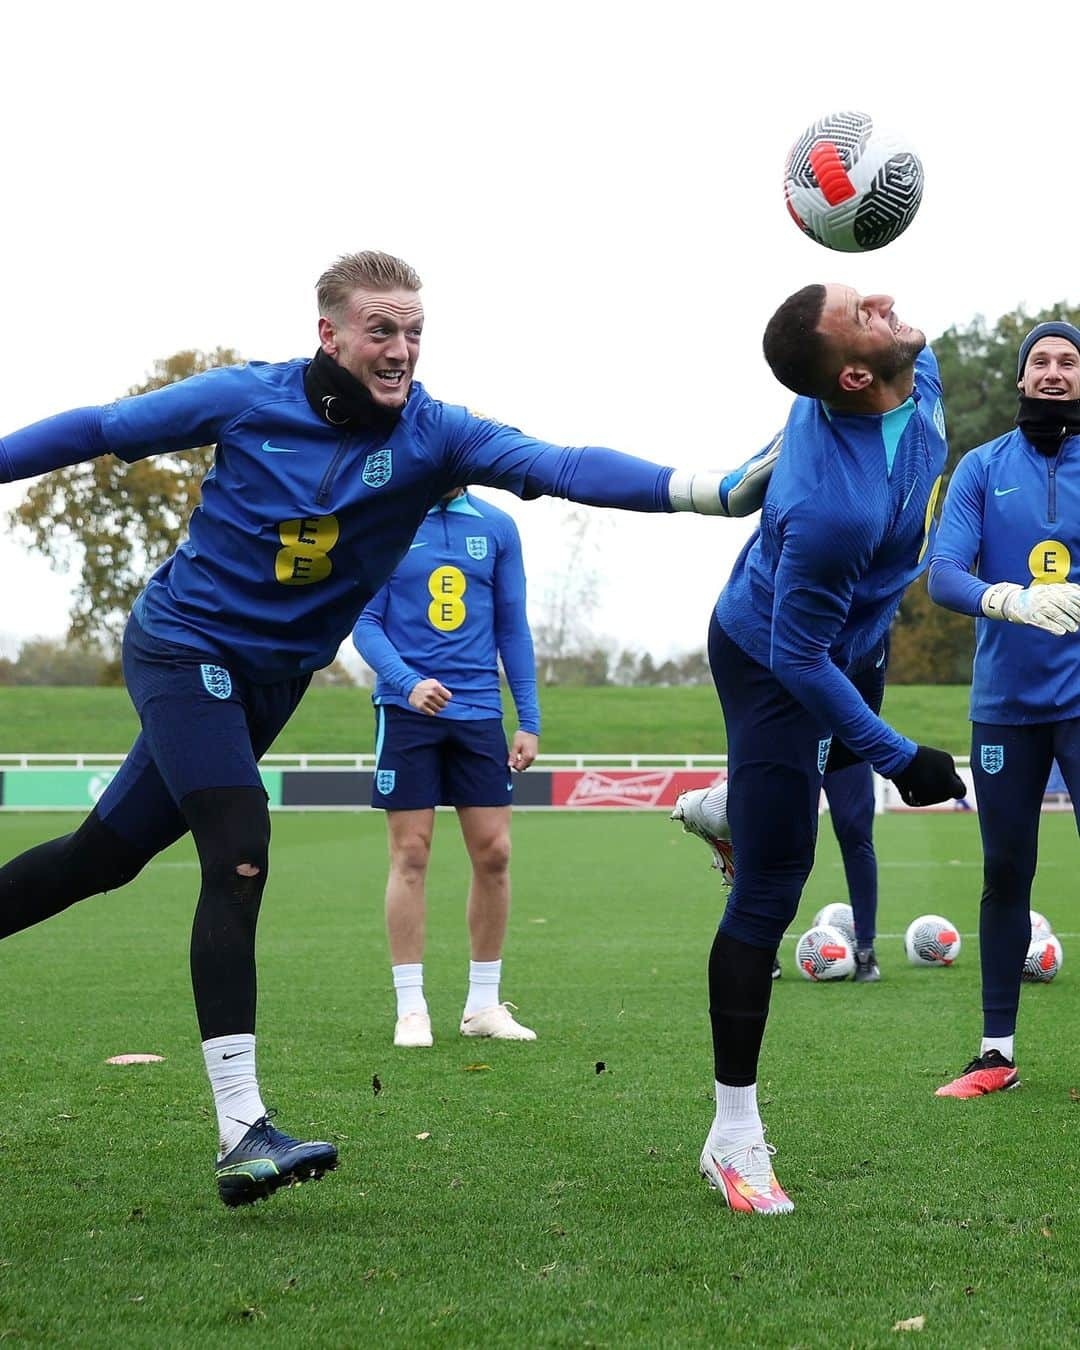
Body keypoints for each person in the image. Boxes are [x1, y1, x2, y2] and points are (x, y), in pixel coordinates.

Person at [0, 250, 773, 1208]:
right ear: (329, 334)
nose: (401, 349)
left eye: (414, 331)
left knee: (99, 859)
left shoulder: (437, 433)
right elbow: (98, 429)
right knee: (239, 851)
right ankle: (243, 1131)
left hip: (272, 683)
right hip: (181, 646)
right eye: (381, 330)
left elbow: (560, 465)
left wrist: (709, 489)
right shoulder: (247, 398)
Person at [690, 284, 966, 1217]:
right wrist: (899, 755)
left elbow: (885, 335)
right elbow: (794, 655)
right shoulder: (826, 509)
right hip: (774, 654)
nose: (892, 305)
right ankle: (733, 1138)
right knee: (776, 884)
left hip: (857, 635)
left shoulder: (912, 370)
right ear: (853, 373)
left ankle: (734, 810)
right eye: (867, 313)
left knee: (815, 802)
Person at [928, 320, 1080, 1098]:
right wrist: (1007, 597)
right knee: (1005, 870)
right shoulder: (983, 467)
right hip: (1007, 709)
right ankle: (995, 1055)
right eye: (1041, 362)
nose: (1053, 372)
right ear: (1021, 379)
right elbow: (942, 573)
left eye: (1068, 362)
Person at [352, 485, 540, 1048]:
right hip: (406, 711)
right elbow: (364, 621)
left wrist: (527, 717)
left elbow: (512, 626)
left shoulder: (498, 526)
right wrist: (408, 684)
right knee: (411, 852)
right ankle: (412, 1009)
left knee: (495, 852)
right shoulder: (386, 517)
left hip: (479, 712)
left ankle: (483, 1004)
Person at [674, 643, 886, 983]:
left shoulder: (872, 617)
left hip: (845, 732)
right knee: (768, 837)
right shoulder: (781, 606)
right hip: (790, 733)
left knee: (855, 831)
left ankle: (865, 950)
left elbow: (870, 687)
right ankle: (761, 948)